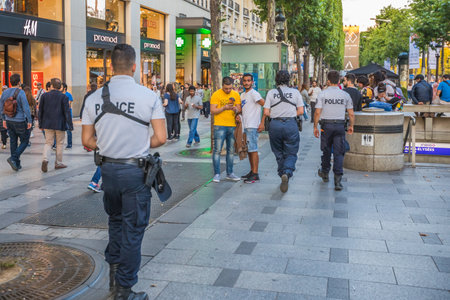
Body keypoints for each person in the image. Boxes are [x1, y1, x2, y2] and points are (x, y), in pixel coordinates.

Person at [81, 44, 166, 300]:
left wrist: (109, 144)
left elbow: (87, 139)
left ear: (110, 67)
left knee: (115, 223)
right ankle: (124, 290)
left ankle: (113, 279)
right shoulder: (148, 96)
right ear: (134, 66)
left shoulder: (94, 98)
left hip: (108, 171)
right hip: (135, 173)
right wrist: (137, 144)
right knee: (133, 229)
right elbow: (161, 138)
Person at [262, 70, 304, 193]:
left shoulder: (271, 93)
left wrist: (276, 114)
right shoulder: (295, 92)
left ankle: (282, 173)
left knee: (278, 150)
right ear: (289, 80)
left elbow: (266, 112)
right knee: (291, 151)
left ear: (276, 80)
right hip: (291, 124)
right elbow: (301, 111)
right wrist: (289, 114)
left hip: (275, 124)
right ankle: (287, 171)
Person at [314, 70, 354, 191]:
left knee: (326, 150)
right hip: (340, 126)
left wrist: (315, 126)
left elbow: (317, 112)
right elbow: (351, 114)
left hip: (326, 126)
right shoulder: (345, 95)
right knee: (339, 152)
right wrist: (351, 125)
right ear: (339, 81)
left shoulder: (323, 94)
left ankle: (325, 172)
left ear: (328, 80)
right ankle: (338, 181)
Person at [210, 76, 242, 183]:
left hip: (232, 125)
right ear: (222, 86)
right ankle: (217, 174)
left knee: (231, 150)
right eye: (226, 88)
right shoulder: (216, 94)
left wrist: (236, 109)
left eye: (229, 88)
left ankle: (230, 173)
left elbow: (239, 109)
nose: (228, 90)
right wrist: (224, 108)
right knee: (217, 150)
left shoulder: (236, 94)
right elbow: (213, 110)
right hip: (219, 125)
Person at [38, 78, 73, 172]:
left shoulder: (44, 96)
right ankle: (58, 163)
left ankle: (45, 159)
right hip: (60, 124)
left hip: (48, 123)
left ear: (51, 86)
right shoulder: (64, 97)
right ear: (60, 87)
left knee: (48, 143)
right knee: (60, 143)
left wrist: (40, 124)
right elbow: (67, 112)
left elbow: (40, 111)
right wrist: (70, 125)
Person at [0, 74, 32, 171]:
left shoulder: (5, 93)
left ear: (10, 82)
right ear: (19, 82)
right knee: (25, 141)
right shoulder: (21, 92)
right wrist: (29, 120)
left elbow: (1, 108)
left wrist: (3, 119)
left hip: (9, 120)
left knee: (13, 141)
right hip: (20, 120)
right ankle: (14, 158)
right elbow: (26, 107)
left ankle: (16, 164)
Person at [240, 73, 265, 184]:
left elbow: (265, 105)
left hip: (252, 125)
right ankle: (252, 171)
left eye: (249, 80)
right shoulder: (242, 95)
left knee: (253, 150)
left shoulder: (254, 94)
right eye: (245, 80)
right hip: (245, 126)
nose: (246, 82)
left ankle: (255, 174)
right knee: (250, 150)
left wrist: (262, 122)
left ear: (252, 82)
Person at [62, 83, 74, 149]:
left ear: (64, 88)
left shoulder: (68, 95)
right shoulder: (60, 95)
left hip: (67, 114)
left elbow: (68, 105)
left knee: (68, 130)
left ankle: (69, 144)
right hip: (61, 114)